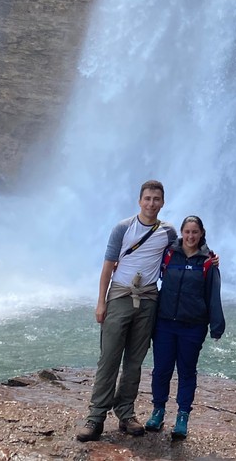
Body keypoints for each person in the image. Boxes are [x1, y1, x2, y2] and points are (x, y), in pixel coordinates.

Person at [76, 179, 177, 442]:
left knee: (134, 361)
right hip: (120, 297)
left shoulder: (168, 232)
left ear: (163, 202)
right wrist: (101, 303)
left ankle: (126, 413)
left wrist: (210, 258)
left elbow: (185, 253)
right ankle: (96, 417)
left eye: (156, 199)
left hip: (147, 300)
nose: (152, 203)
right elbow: (108, 266)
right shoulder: (123, 228)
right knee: (109, 358)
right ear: (139, 201)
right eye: (147, 199)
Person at [143, 214, 225, 440]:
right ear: (182, 233)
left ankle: (182, 417)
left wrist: (216, 326)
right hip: (165, 323)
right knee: (161, 369)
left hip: (193, 326)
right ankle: (158, 411)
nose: (190, 236)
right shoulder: (169, 254)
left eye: (195, 232)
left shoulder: (208, 261)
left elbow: (213, 295)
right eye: (187, 232)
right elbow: (147, 263)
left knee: (187, 371)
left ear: (201, 234)